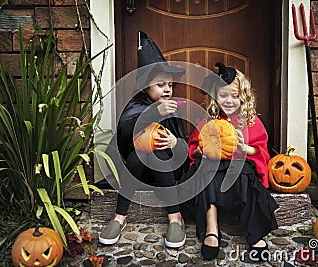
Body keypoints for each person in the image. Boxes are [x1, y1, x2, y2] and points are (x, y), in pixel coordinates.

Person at [99, 31, 188, 248]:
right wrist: (155, 112)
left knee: (157, 153)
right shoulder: (136, 106)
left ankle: (175, 217)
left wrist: (175, 144)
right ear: (146, 86)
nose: (167, 89)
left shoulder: (173, 109)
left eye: (170, 84)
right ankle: (120, 217)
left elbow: (184, 146)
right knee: (139, 153)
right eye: (160, 85)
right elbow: (125, 130)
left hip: (167, 174)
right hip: (137, 173)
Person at [184, 62, 278, 261]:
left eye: (234, 96)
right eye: (223, 95)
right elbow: (193, 147)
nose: (228, 101)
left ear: (243, 96)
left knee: (245, 172)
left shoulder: (251, 121)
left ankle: (255, 232)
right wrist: (201, 151)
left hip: (239, 174)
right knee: (206, 168)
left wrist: (245, 149)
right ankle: (211, 227)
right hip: (214, 174)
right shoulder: (209, 120)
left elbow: (261, 151)